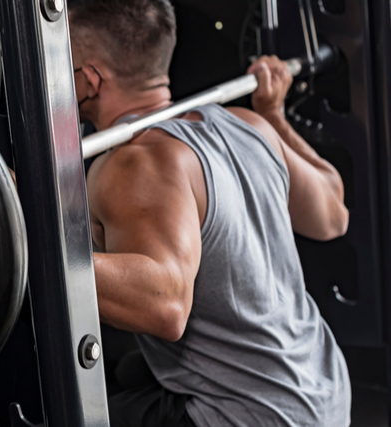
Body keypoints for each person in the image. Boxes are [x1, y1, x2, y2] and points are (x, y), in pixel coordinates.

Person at [68, 0, 351, 426]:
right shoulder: (247, 124)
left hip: (254, 416)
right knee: (128, 375)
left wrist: (31, 231)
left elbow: (165, 306)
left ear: (90, 80)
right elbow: (333, 213)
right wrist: (273, 115)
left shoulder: (131, 165)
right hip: (325, 393)